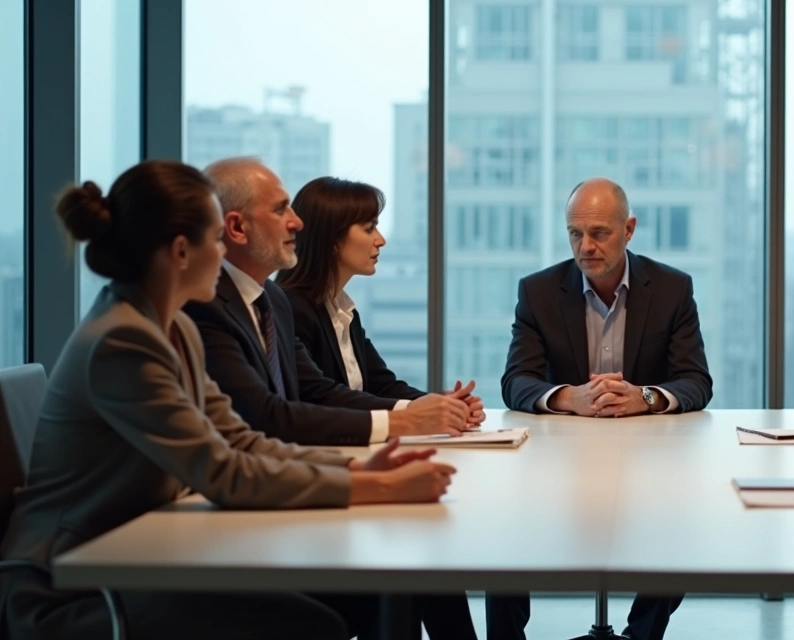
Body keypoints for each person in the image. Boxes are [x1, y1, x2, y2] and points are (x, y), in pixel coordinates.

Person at [0, 160, 471, 640]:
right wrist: (379, 487)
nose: (224, 253)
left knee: (361, 603)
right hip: (72, 589)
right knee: (316, 621)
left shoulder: (171, 328)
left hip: (135, 558)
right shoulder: (123, 340)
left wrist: (357, 472)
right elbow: (222, 470)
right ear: (181, 252)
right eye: (215, 240)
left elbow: (241, 440)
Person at [492, 177, 712, 640]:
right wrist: (569, 397)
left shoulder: (672, 288)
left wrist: (644, 397)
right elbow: (516, 381)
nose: (585, 246)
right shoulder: (538, 291)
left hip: (648, 460)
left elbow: (696, 381)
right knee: (503, 533)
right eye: (575, 234)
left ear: (629, 229)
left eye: (599, 233)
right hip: (558, 461)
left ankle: (640, 636)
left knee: (680, 524)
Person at [183, 158, 473, 447]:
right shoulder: (209, 305)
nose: (297, 223)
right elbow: (285, 409)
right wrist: (409, 417)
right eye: (280, 210)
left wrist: (435, 407)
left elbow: (370, 384)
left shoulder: (276, 301)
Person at [275, 176, 485, 425]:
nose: (380, 240)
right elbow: (320, 395)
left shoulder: (343, 310)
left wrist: (443, 404)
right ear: (332, 239)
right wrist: (418, 410)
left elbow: (383, 386)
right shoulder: (291, 308)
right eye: (369, 228)